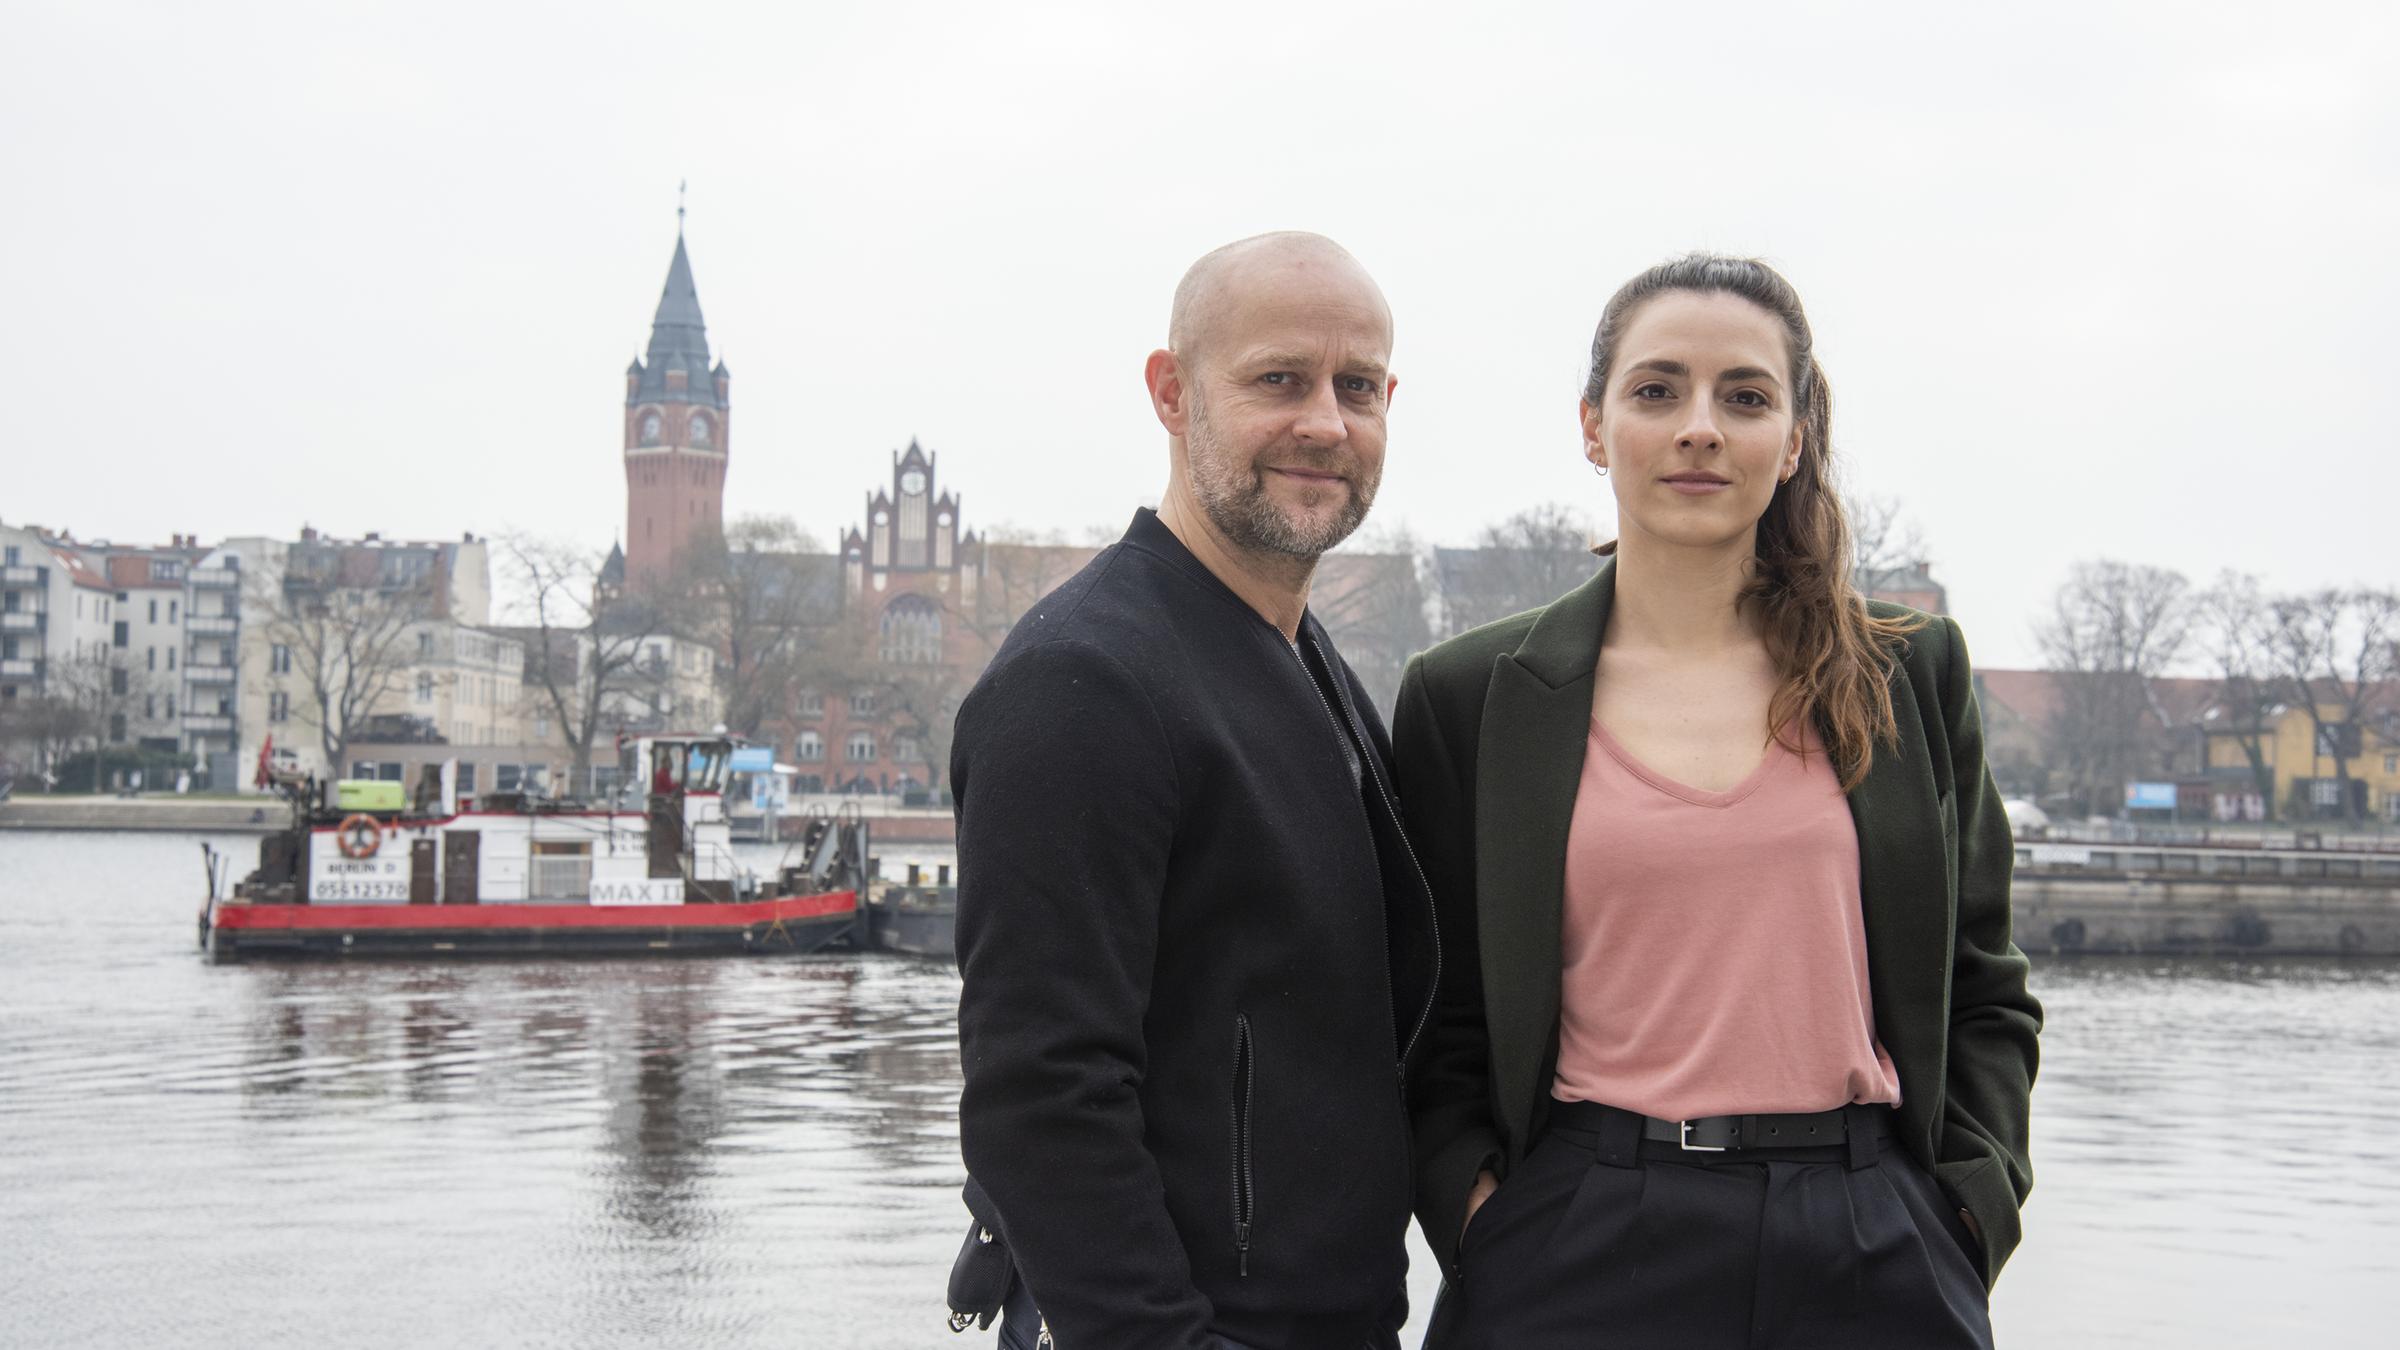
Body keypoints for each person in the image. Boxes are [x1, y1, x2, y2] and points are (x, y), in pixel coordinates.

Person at [1393, 255, 2040, 1347]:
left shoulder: (1906, 670)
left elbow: (1983, 981)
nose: (1700, 428)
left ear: (1792, 441)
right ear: (1594, 427)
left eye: (1744, 397)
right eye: (1658, 391)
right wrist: (1481, 1216)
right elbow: (1432, 1012)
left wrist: (1968, 1209)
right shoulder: (1469, 697)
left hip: (1870, 1236)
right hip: (1580, 1235)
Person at [950, 232, 1438, 1350]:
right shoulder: (1081, 684)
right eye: (1280, 379)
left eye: (1358, 387)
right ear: (1172, 393)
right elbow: (1041, 1098)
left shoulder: (1300, 658)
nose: (1326, 422)